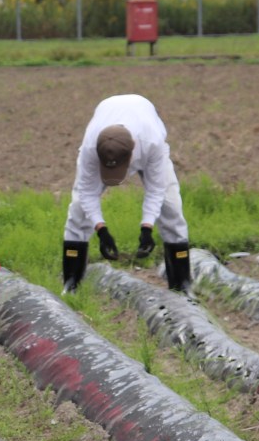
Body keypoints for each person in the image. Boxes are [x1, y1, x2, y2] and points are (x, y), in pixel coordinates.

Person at [62, 93, 190, 293]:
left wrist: (146, 227)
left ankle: (181, 285)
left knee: (171, 206)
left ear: (132, 154)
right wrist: (101, 230)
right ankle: (71, 284)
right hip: (105, 125)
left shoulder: (152, 142)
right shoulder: (90, 147)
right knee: (78, 210)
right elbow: (87, 193)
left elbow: (156, 190)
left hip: (146, 132)